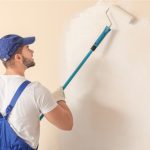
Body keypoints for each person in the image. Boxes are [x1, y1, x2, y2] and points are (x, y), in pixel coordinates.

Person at [0, 34, 73, 150]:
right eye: (27, 48)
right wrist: (59, 100)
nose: (32, 51)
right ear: (18, 57)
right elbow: (67, 124)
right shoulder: (35, 91)